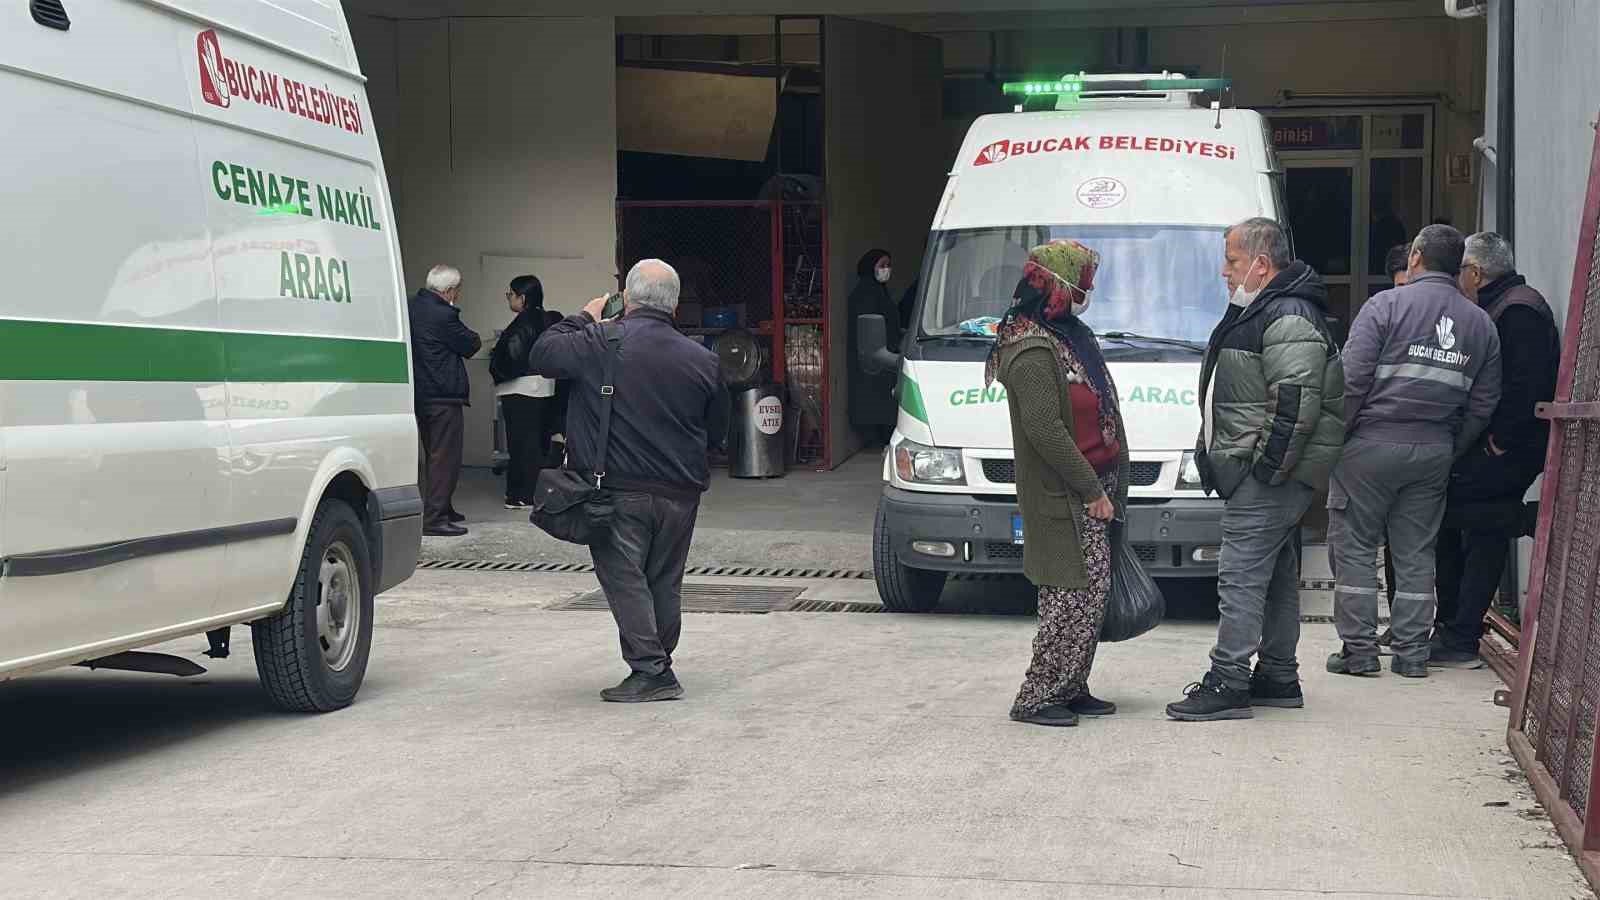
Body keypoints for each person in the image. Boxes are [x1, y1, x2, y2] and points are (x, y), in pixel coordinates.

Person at [1167, 218, 1345, 722]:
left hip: (1268, 476)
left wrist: (1264, 472)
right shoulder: (1271, 307)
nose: (1225, 271)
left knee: (1240, 575)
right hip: (1272, 474)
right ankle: (1278, 675)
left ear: (1261, 265)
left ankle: (1228, 680)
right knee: (1276, 575)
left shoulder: (1285, 313)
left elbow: (1294, 403)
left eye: (1233, 260)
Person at [530, 260, 731, 703]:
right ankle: (661, 663)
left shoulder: (601, 340)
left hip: (618, 490)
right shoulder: (704, 359)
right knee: (664, 579)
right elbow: (718, 431)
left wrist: (585, 315)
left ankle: (651, 671)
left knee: (624, 578)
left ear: (629, 298)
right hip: (681, 491)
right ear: (675, 305)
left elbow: (542, 353)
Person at [1327, 225, 1501, 679]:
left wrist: (1338, 438)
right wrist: (1450, 445)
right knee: (1417, 552)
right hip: (1434, 450)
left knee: (1356, 549)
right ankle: (1412, 654)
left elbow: (1350, 382)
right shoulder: (1480, 323)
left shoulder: (1384, 306)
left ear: (1417, 257)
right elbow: (1483, 405)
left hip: (1369, 446)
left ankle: (1360, 653)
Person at [988, 240, 1129, 728]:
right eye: (1083, 282)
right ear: (1055, 286)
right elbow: (1045, 430)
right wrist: (1092, 490)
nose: (1088, 291)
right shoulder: (1029, 346)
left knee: (1090, 595)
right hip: (1065, 494)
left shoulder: (1067, 333)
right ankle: (1037, 696)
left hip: (1092, 485)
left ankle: (1071, 685)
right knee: (1069, 595)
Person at [1431, 233, 1560, 668]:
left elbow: (1526, 385)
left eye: (1460, 272)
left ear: (1475, 273)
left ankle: (1526, 519)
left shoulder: (1518, 309)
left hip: (1510, 447)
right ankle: (1460, 631)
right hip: (1502, 445)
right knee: (1480, 533)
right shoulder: (1501, 305)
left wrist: (1497, 441)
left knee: (1452, 513)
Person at [409, 264, 481, 537]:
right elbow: (470, 344)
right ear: (450, 290)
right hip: (442, 395)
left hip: (421, 392)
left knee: (432, 456)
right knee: (445, 459)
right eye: (457, 291)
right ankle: (435, 518)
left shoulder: (412, 306)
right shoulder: (443, 314)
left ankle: (442, 507)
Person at [489, 275, 554, 510]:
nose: (508, 298)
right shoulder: (544, 319)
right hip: (541, 389)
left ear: (522, 297)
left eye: (510, 294)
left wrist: (495, 367)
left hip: (521, 390)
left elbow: (513, 358)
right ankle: (529, 494)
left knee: (520, 445)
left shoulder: (523, 323)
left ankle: (520, 495)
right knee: (534, 445)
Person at [846, 249, 901, 446]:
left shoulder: (880, 291)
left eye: (888, 265)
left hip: (885, 353)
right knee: (876, 399)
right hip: (874, 355)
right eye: (882, 265)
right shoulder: (866, 293)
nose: (886, 270)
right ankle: (876, 437)